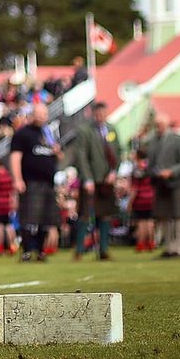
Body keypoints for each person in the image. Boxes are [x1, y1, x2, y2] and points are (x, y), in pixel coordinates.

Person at [9, 103, 61, 262]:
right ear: (32, 114)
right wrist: (17, 179)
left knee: (46, 220)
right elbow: (15, 157)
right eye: (38, 113)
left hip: (48, 182)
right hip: (31, 181)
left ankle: (41, 251)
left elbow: (57, 156)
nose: (41, 116)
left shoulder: (48, 133)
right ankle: (26, 251)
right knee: (29, 218)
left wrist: (57, 153)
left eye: (44, 114)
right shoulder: (23, 134)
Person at [69, 102, 119, 261]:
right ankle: (80, 250)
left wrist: (113, 171)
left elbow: (118, 151)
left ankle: (103, 250)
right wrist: (87, 178)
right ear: (93, 114)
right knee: (85, 215)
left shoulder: (112, 130)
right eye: (98, 114)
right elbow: (81, 155)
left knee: (105, 215)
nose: (100, 117)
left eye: (103, 114)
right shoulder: (84, 130)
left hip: (107, 180)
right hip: (90, 180)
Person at [146, 113, 180, 258]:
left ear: (167, 124)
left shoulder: (178, 140)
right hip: (160, 184)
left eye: (161, 125)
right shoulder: (152, 142)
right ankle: (169, 247)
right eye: (156, 125)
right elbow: (150, 164)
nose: (158, 128)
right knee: (163, 216)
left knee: (178, 217)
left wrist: (170, 172)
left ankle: (178, 248)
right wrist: (154, 172)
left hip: (177, 183)